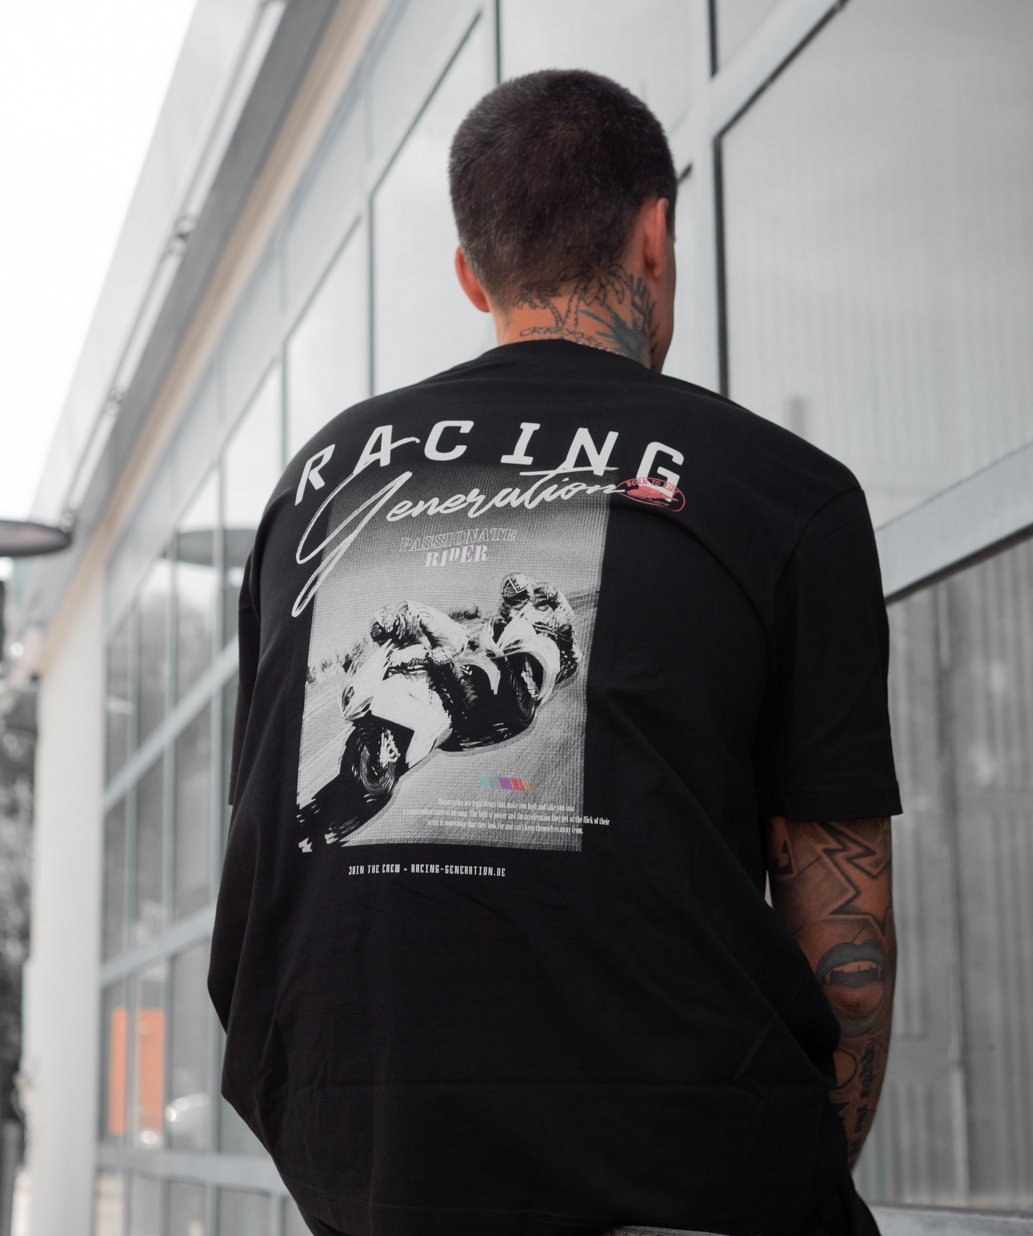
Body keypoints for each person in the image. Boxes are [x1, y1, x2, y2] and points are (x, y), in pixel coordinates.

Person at [210, 70, 900, 1236]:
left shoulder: (314, 490)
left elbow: (261, 883)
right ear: (655, 233)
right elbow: (846, 913)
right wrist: (786, 1176)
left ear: (472, 274)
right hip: (695, 1195)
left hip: (373, 1190)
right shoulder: (787, 494)